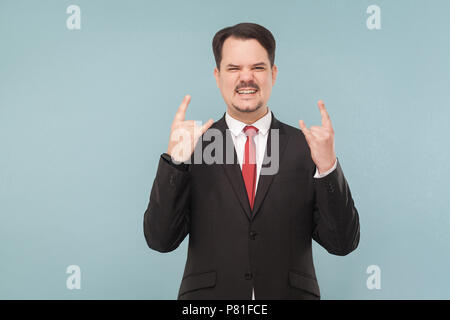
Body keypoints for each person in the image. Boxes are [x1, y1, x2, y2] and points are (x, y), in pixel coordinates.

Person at [143, 22, 360, 300]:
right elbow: (160, 240)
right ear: (218, 75)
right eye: (233, 69)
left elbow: (342, 243)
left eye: (257, 68)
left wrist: (328, 167)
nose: (246, 78)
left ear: (273, 74)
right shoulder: (194, 146)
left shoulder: (306, 147)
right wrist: (175, 161)